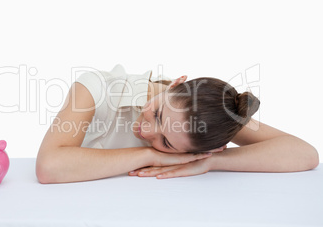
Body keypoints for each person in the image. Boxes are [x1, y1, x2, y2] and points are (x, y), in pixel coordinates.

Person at [36, 64, 319, 184]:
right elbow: (49, 167)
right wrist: (151, 154)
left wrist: (209, 162)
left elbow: (305, 154)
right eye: (157, 113)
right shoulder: (95, 88)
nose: (145, 131)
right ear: (175, 84)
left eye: (167, 143)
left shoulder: (211, 121)